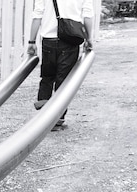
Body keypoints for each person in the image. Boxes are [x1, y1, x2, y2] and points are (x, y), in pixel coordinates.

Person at [27, 0, 94, 129]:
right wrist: (89, 38)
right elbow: (88, 15)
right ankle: (58, 118)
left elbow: (37, 15)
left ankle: (43, 117)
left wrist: (31, 41)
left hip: (48, 41)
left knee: (47, 78)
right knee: (63, 82)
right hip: (70, 40)